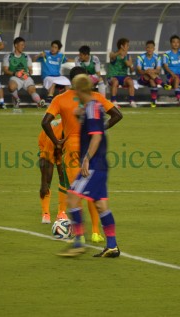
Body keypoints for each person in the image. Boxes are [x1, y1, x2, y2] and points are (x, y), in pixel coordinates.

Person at [41, 66, 122, 243]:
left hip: (73, 150)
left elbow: (45, 121)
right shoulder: (97, 98)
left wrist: (56, 141)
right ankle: (95, 232)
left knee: (75, 194)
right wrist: (103, 127)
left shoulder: (61, 98)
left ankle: (79, 238)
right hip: (96, 151)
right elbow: (117, 115)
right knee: (94, 195)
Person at [38, 119, 68, 224]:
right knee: (46, 180)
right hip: (47, 145)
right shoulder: (51, 138)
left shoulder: (74, 130)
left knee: (64, 177)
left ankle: (62, 212)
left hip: (62, 147)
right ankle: (45, 214)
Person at [2, 37, 44, 108]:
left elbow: (30, 70)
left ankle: (39, 102)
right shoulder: (8, 56)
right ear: (15, 45)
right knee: (11, 87)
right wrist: (15, 73)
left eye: (24, 45)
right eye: (21, 45)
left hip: (25, 77)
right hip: (15, 77)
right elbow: (5, 70)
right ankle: (16, 99)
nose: (23, 47)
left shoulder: (26, 56)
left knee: (32, 90)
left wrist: (28, 73)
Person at [108, 38, 137, 108]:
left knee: (130, 81)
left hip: (123, 77)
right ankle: (113, 101)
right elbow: (111, 56)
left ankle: (132, 101)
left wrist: (131, 66)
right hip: (113, 76)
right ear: (122, 46)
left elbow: (132, 71)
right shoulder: (113, 53)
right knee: (115, 82)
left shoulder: (128, 56)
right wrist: (119, 53)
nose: (128, 47)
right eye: (127, 45)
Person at [136, 40, 163, 108]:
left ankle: (153, 102)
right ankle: (162, 84)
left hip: (152, 79)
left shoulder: (157, 57)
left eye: (151, 48)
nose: (150, 49)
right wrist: (146, 71)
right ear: (146, 48)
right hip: (142, 79)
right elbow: (139, 70)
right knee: (148, 74)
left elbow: (158, 70)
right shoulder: (140, 57)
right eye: (148, 47)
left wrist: (150, 71)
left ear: (154, 49)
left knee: (151, 80)